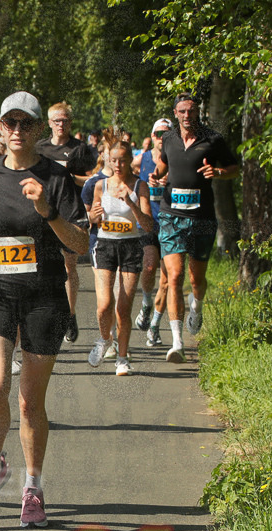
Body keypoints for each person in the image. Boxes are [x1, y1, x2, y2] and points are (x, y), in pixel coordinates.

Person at [0, 91, 88, 527]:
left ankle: (34, 487)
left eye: (27, 123)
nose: (18, 131)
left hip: (45, 296)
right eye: (10, 123)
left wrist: (47, 211)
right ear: (1, 128)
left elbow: (80, 244)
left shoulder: (56, 177)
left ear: (39, 129)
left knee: (29, 403)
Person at [149, 93, 239, 362]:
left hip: (201, 218)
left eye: (191, 111)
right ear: (175, 113)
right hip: (171, 216)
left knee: (196, 281)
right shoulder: (168, 139)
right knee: (174, 277)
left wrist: (220, 173)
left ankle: (196, 308)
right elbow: (162, 166)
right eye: (182, 111)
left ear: (197, 112)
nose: (187, 116)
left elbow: (235, 168)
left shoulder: (213, 139)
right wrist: (156, 177)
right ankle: (177, 342)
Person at [86, 142, 155, 376]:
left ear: (130, 160)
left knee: (123, 309)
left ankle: (122, 358)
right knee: (104, 305)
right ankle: (104, 339)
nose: (118, 165)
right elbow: (91, 219)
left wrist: (131, 203)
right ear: (108, 160)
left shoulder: (139, 186)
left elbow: (148, 225)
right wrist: (92, 217)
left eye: (123, 160)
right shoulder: (100, 185)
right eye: (113, 160)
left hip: (130, 247)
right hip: (105, 245)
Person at [36, 102, 87, 343]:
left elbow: (91, 179)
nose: (61, 124)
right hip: (42, 212)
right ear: (49, 123)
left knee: (69, 266)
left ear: (70, 122)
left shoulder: (80, 149)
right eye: (56, 120)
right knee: (41, 266)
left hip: (69, 211)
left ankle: (71, 313)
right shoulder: (40, 148)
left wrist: (64, 174)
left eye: (65, 120)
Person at [134, 118, 174, 347]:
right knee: (149, 266)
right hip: (149, 221)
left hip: (172, 222)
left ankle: (155, 326)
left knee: (168, 278)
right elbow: (121, 169)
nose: (162, 138)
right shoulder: (143, 158)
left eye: (167, 134)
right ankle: (147, 302)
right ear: (152, 135)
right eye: (158, 134)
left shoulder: (178, 158)